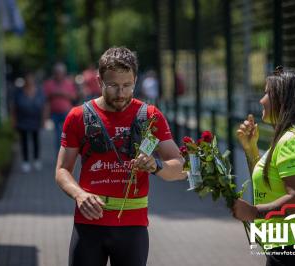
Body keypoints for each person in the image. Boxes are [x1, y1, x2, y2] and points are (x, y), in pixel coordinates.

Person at [55, 47, 186, 266]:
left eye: (127, 86)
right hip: (89, 223)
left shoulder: (150, 116)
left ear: (136, 79)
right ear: (99, 81)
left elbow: (181, 168)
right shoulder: (79, 116)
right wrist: (79, 195)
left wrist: (156, 166)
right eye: (113, 85)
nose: (121, 93)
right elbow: (61, 170)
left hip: (132, 227)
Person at [232, 66, 295, 266]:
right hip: (294, 247)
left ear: (283, 99)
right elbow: (269, 184)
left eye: (266, 93)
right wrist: (251, 149)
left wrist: (254, 212)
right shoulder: (292, 135)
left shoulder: (292, 140)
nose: (261, 100)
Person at [11, 72, 45, 173]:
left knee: (35, 140)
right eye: (27, 79)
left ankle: (36, 159)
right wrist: (14, 120)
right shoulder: (19, 92)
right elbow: (14, 107)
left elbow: (44, 106)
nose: (29, 81)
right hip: (22, 120)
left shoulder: (39, 91)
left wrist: (44, 119)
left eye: (31, 79)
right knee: (24, 141)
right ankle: (25, 161)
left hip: (35, 120)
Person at [44, 62, 78, 152]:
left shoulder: (68, 83)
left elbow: (74, 96)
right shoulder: (49, 83)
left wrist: (64, 94)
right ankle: (59, 156)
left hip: (66, 112)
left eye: (60, 72)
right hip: (54, 113)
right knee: (57, 136)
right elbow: (45, 98)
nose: (58, 74)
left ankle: (66, 155)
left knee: (65, 136)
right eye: (56, 72)